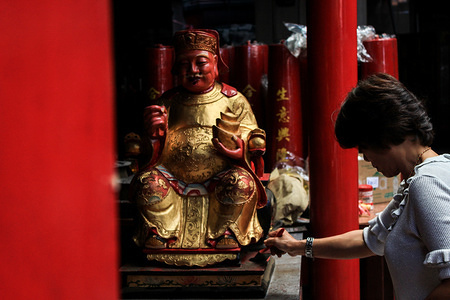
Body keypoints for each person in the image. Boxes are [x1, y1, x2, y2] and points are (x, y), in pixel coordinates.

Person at [264, 73, 450, 299]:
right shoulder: (420, 178)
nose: (367, 159)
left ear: (382, 135)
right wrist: (297, 247)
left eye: (363, 148)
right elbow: (369, 239)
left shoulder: (426, 184)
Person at [131, 29, 267, 267]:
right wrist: (153, 137)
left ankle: (226, 232)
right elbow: (146, 150)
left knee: (241, 183)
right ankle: (161, 232)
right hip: (172, 180)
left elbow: (253, 135)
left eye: (200, 62)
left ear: (215, 64)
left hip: (220, 180)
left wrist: (240, 151)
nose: (192, 70)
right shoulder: (168, 101)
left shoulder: (233, 99)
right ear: (175, 68)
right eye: (184, 64)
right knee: (147, 182)